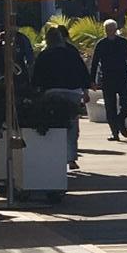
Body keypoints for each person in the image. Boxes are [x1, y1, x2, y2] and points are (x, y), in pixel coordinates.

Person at [31, 22, 90, 170]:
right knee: (72, 125)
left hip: (52, 92)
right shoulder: (72, 53)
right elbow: (82, 72)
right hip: (73, 92)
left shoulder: (44, 55)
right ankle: (71, 158)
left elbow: (36, 77)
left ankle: (54, 156)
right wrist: (85, 91)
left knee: (53, 125)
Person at [89, 18, 127, 141]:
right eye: (107, 29)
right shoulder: (101, 44)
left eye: (112, 29)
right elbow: (94, 63)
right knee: (110, 107)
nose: (110, 31)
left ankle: (120, 121)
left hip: (122, 77)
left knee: (126, 105)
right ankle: (114, 132)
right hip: (107, 79)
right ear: (105, 30)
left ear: (116, 30)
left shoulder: (123, 42)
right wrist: (92, 81)